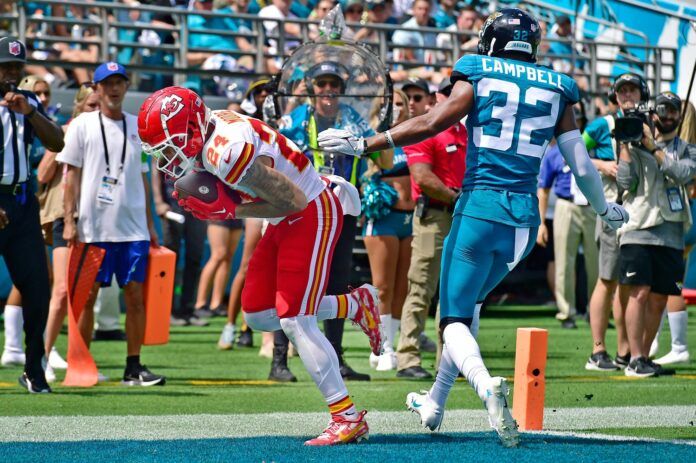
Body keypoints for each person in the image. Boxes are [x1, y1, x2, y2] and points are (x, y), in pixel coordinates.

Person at [318, 8, 629, 446]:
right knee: (470, 309)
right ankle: (436, 403)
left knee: (452, 320)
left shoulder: (478, 70)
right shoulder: (558, 86)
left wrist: (365, 143)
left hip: (481, 207)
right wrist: (604, 209)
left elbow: (432, 121)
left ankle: (485, 387)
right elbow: (579, 161)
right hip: (523, 222)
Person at [138, 86, 384, 445]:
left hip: (312, 208)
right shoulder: (210, 129)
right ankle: (352, 304)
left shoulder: (226, 152)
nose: (167, 156)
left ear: (192, 129)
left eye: (169, 144)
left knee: (295, 319)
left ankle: (346, 416)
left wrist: (230, 210)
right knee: (257, 314)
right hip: (286, 216)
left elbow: (293, 200)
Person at [58, 62, 165, 386]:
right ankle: (80, 363)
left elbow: (143, 178)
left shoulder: (139, 127)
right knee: (86, 297)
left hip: (132, 228)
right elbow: (71, 177)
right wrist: (69, 220)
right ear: (96, 88)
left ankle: (133, 366)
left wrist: (150, 226)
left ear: (127, 86)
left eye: (119, 83)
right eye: (107, 84)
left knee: (134, 297)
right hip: (93, 227)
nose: (113, 89)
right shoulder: (82, 125)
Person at [280, 61, 386, 381]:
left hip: (340, 212)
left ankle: (337, 357)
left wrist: (380, 129)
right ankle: (278, 361)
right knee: (291, 281)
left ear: (342, 89)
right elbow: (277, 151)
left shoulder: (352, 119)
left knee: (338, 284)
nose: (328, 91)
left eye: (334, 85)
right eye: (322, 84)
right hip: (304, 212)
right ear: (312, 89)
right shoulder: (296, 119)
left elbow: (378, 155)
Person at [616, 90, 696, 377]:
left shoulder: (687, 149)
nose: (668, 115)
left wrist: (653, 149)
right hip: (638, 227)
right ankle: (634, 357)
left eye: (674, 110)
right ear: (653, 114)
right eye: (663, 110)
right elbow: (625, 181)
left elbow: (683, 174)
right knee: (639, 292)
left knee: (661, 296)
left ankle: (645, 355)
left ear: (680, 115)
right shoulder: (634, 145)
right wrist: (625, 147)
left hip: (672, 231)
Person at [0, 37, 64, 393]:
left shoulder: (29, 103)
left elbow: (57, 143)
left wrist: (31, 112)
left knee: (37, 290)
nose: (11, 73)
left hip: (23, 205)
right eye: (5, 67)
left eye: (16, 67)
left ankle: (33, 367)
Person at [395, 78, 466, 379]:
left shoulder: (464, 132)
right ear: (439, 97)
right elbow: (422, 178)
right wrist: (455, 197)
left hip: (457, 215)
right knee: (422, 286)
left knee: (454, 291)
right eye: (451, 94)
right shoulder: (425, 130)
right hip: (435, 216)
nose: (457, 99)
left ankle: (447, 360)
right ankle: (408, 357)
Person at [583, 73, 646, 371]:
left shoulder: (649, 124)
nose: (628, 94)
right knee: (607, 280)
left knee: (628, 282)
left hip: (641, 210)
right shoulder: (602, 125)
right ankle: (597, 351)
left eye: (633, 89)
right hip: (612, 208)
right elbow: (575, 152)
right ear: (615, 96)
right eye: (623, 90)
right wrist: (601, 164)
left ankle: (624, 350)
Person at [40, 83, 100, 383]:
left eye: (97, 106)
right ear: (78, 106)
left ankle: (81, 361)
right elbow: (42, 174)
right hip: (67, 216)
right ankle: (41, 357)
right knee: (61, 291)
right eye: (90, 106)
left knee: (89, 296)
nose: (95, 111)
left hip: (96, 217)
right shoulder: (69, 130)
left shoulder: (105, 131)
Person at [363, 88, 414, 371]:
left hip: (410, 220)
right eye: (392, 105)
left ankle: (389, 343)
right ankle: (380, 345)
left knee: (402, 287)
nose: (398, 109)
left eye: (401, 104)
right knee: (382, 287)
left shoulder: (416, 136)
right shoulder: (375, 138)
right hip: (384, 219)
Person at [537, 102, 598, 329]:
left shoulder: (592, 150)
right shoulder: (554, 153)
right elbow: (543, 189)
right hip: (565, 205)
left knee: (596, 263)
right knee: (563, 261)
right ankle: (566, 312)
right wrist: (541, 222)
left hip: (591, 206)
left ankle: (595, 310)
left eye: (578, 120)